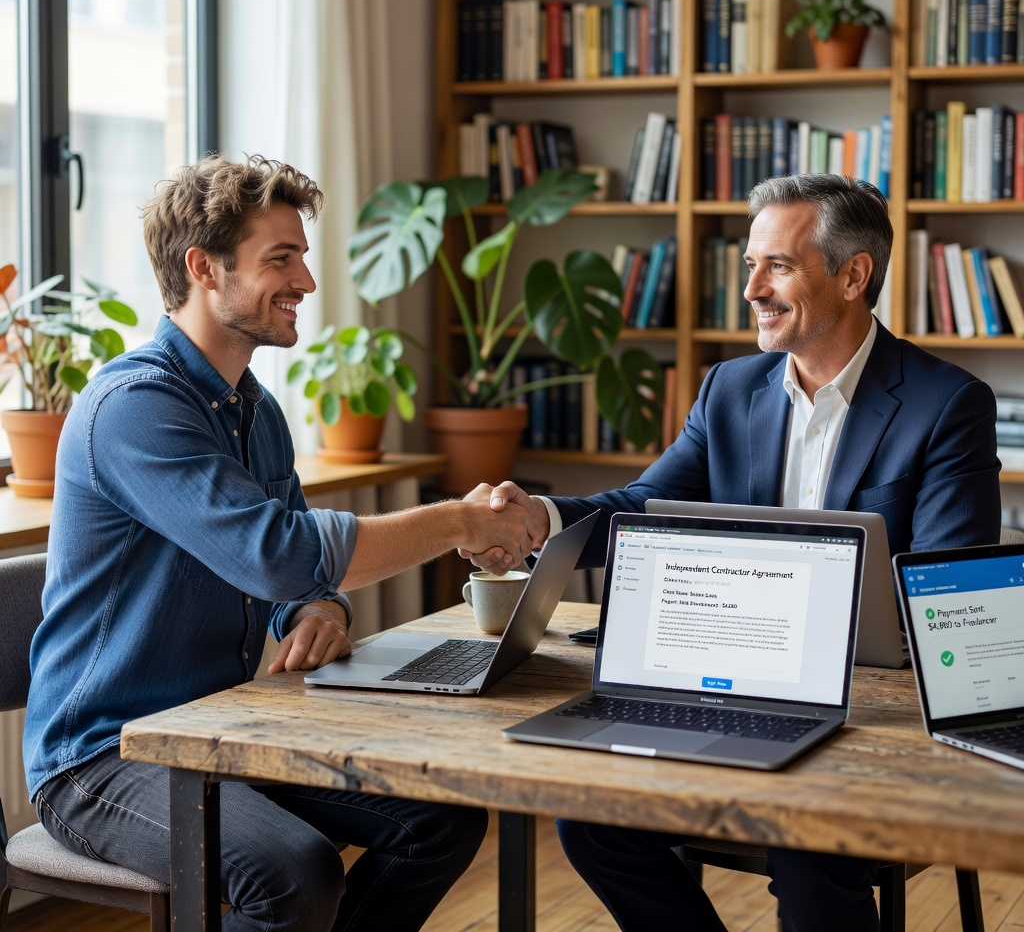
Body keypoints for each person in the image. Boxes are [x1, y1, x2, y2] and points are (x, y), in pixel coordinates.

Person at [23, 154, 543, 932]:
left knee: (441, 820)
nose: (304, 280)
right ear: (204, 268)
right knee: (292, 874)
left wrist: (319, 610)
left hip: (226, 730)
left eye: (301, 256)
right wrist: (460, 522)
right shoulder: (134, 409)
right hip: (106, 755)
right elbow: (277, 551)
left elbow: (297, 576)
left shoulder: (254, 410)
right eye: (281, 258)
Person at [471, 173, 1001, 932]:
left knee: (810, 852)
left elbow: (945, 594)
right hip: (724, 679)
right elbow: (640, 508)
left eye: (777, 265)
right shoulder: (730, 388)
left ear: (854, 275)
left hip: (859, 711)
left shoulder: (945, 403)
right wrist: (536, 519)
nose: (752, 287)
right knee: (590, 822)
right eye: (749, 265)